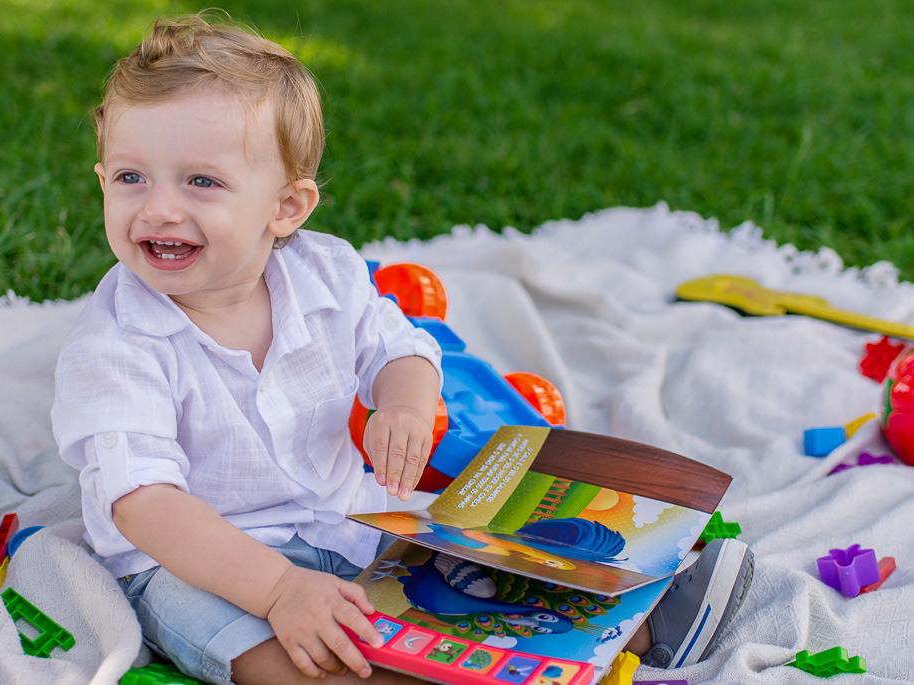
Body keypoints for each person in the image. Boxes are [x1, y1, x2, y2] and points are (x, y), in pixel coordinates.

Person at [52, 12, 753, 684]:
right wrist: (277, 589)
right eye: (130, 177)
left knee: (469, 577)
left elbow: (404, 346)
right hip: (194, 559)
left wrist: (405, 405)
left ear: (286, 208)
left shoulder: (325, 275)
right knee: (280, 649)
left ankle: (633, 625)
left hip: (344, 521)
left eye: (201, 181)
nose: (158, 208)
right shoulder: (119, 344)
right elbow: (143, 503)